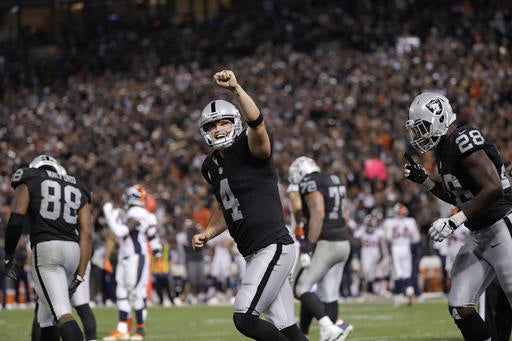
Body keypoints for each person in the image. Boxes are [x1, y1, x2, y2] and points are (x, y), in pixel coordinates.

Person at [192, 70, 306, 341]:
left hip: (273, 246)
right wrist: (208, 233)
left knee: (244, 317)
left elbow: (257, 123)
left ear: (235, 123)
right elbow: (225, 204)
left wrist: (236, 90)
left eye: (224, 122)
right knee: (286, 329)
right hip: (253, 253)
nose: (218, 129)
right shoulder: (210, 166)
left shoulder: (249, 147)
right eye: (211, 125)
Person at [404, 92, 512, 340]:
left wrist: (454, 221)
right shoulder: (444, 149)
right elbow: (460, 197)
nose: (420, 135)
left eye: (423, 127)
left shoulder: (463, 138)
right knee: (459, 307)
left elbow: (493, 188)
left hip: (503, 225)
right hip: (480, 233)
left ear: (440, 118)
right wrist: (426, 181)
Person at [4, 154, 92, 340]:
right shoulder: (78, 184)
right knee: (46, 316)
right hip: (73, 251)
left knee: (62, 314)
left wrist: (8, 255)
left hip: (47, 250)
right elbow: (86, 233)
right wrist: (80, 274)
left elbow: (16, 220)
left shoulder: (30, 177)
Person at [288, 156, 353, 341]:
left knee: (301, 287)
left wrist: (309, 246)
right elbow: (345, 214)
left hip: (325, 242)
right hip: (343, 242)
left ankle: (329, 327)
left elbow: (318, 213)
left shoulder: (310, 181)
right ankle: (329, 333)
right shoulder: (334, 179)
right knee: (330, 295)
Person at [102, 184, 158, 340]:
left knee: (135, 293)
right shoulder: (132, 212)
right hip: (126, 256)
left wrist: (109, 215)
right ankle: (122, 329)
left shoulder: (137, 213)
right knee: (121, 292)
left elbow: (121, 231)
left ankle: (140, 330)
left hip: (135, 256)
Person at [382, 203, 421, 306]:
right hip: (406, 247)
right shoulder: (410, 222)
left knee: (397, 274)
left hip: (396, 248)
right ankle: (409, 290)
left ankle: (399, 296)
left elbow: (387, 238)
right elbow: (416, 238)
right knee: (407, 273)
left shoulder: (389, 222)